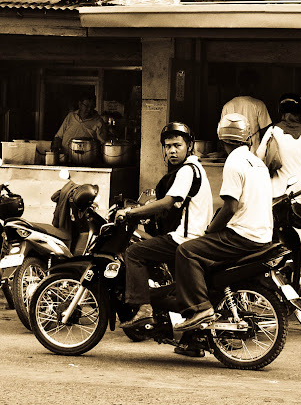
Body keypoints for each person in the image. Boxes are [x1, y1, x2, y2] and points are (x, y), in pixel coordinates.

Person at [173, 113, 273, 331]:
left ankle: (200, 308)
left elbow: (230, 208)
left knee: (186, 251)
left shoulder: (234, 163)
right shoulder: (257, 163)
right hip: (263, 235)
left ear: (222, 140)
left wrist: (210, 230)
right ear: (247, 137)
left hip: (243, 236)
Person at [117, 122, 213, 332]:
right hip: (196, 237)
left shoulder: (187, 170)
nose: (171, 150)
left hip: (184, 239)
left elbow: (169, 201)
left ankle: (144, 308)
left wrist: (131, 212)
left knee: (134, 253)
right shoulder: (196, 169)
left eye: (177, 145)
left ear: (189, 146)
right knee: (178, 289)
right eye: (167, 146)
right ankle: (192, 340)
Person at [256, 93, 301, 199]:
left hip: (277, 190)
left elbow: (258, 158)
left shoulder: (273, 131)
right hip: (300, 190)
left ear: (281, 111)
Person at [220, 68, 271, 153]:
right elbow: (267, 132)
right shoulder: (258, 105)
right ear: (252, 85)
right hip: (254, 154)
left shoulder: (227, 106)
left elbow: (222, 134)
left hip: (232, 154)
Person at [53, 91, 108, 158]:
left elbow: (102, 144)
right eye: (87, 106)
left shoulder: (98, 121)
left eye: (92, 107)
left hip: (86, 160)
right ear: (80, 104)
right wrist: (55, 149)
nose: (89, 110)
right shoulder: (70, 116)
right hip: (65, 158)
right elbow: (58, 136)